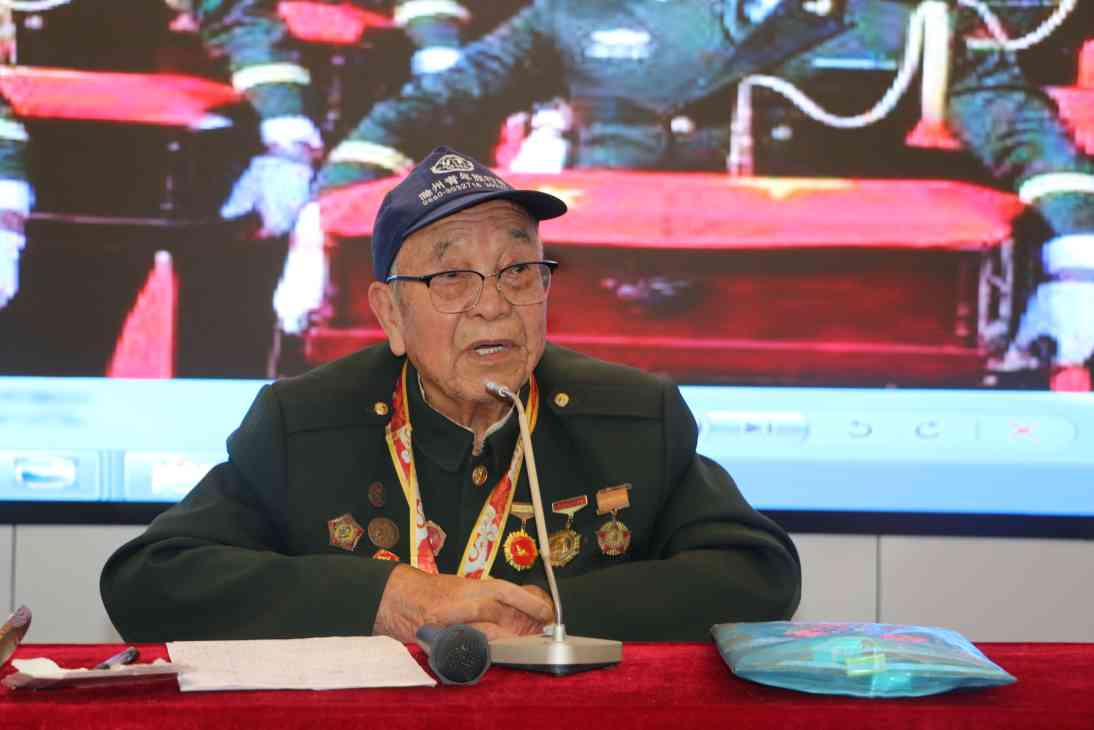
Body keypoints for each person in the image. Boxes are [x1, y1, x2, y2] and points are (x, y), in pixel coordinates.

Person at [100, 145, 802, 643]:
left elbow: (758, 573)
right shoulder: (305, 421)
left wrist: (545, 611)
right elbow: (148, 581)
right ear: (390, 314)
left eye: (518, 270)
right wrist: (388, 598)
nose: (494, 305)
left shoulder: (632, 416)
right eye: (452, 278)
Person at [273, 0, 1094, 371]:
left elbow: (1019, 129)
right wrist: (330, 216)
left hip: (811, 312)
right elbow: (431, 106)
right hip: (601, 307)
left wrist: (1076, 259)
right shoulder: (579, 13)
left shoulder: (903, 22)